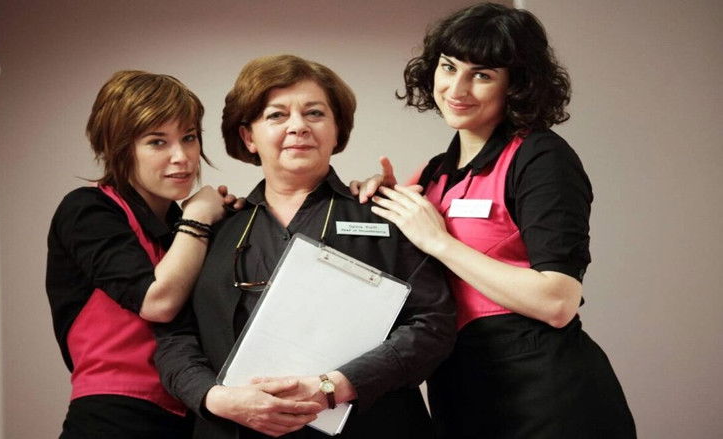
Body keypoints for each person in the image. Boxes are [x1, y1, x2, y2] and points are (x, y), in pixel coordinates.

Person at [351, 3, 637, 438]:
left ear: (517, 85)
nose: (457, 88)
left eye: (482, 75)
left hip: (545, 394)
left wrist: (439, 241)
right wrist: (373, 202)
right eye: (449, 67)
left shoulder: (541, 157)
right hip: (460, 390)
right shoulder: (434, 172)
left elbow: (558, 302)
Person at [153, 54, 456, 439]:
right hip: (235, 428)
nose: (298, 126)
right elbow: (173, 338)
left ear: (337, 130)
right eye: (276, 115)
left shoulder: (388, 214)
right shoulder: (212, 229)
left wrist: (336, 386)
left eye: (314, 113)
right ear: (248, 137)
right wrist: (214, 397)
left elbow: (433, 324)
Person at [46, 70, 239, 438]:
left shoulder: (180, 226)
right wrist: (199, 217)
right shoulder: (88, 209)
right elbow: (157, 302)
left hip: (191, 414)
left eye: (189, 138)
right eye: (157, 142)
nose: (182, 157)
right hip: (114, 417)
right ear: (120, 148)